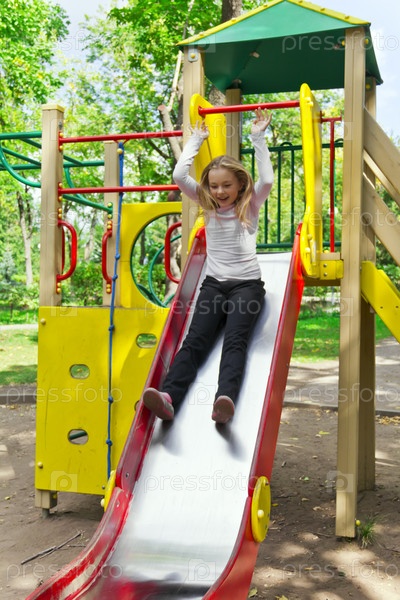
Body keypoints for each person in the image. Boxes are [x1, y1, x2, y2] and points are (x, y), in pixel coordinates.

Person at [142, 108, 274, 424]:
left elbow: (267, 179)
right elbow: (179, 176)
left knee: (234, 342)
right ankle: (168, 398)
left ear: (240, 184)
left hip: (247, 287)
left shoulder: (250, 205)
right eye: (214, 186)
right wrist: (196, 140)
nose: (219, 191)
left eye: (226, 185)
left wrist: (258, 138)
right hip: (214, 285)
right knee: (194, 341)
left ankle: (223, 401)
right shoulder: (208, 205)